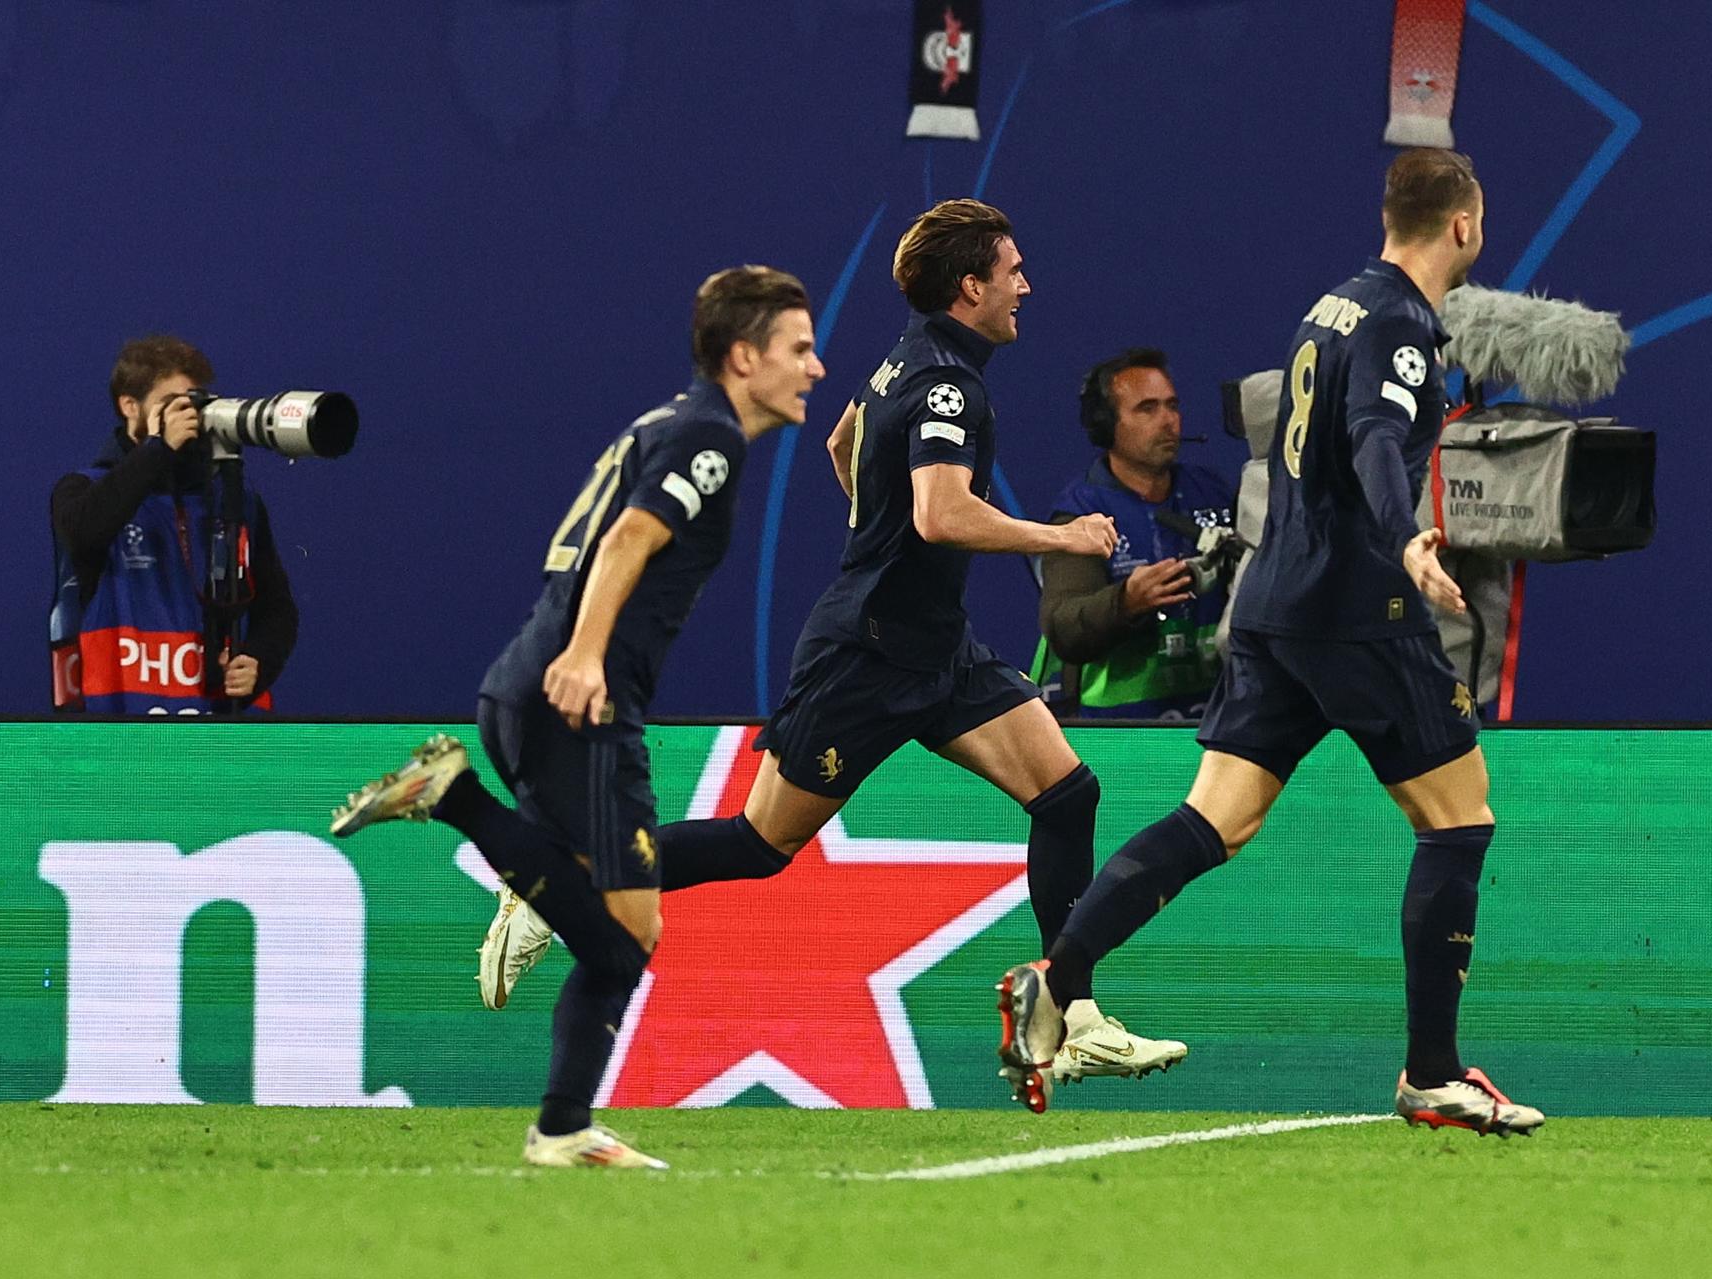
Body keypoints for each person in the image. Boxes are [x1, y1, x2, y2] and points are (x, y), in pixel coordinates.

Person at [480, 200, 1189, 1086]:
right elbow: (939, 512)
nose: (1025, 285)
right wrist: (1065, 539)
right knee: (758, 846)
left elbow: (844, 440)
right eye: (1012, 270)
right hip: (867, 657)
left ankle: (1066, 1011)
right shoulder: (944, 384)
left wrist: (874, 530)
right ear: (971, 287)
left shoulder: (914, 357)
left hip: (937, 647)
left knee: (1068, 793)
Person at [996, 149, 1545, 1135]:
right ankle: (1431, 1071)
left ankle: (1056, 977)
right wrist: (1407, 537)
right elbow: (1379, 440)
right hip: (1356, 610)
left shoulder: (1329, 307)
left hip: (1273, 604)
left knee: (1217, 819)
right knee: (1459, 821)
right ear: (1464, 224)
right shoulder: (1403, 327)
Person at [329, 265, 825, 1169]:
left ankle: (561, 1126)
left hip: (535, 685)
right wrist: (589, 654)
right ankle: (458, 801)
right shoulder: (710, 435)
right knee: (625, 937)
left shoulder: (668, 421)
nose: (815, 367)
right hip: (578, 701)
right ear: (744, 356)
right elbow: (632, 534)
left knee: (624, 936)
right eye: (798, 348)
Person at [50, 336, 298, 712]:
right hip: (117, 723)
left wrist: (258, 661)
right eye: (174, 404)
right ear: (130, 406)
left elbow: (278, 608)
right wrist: (157, 449)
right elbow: (85, 533)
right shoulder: (82, 487)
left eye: (197, 402)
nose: (190, 416)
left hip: (220, 724)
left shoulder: (233, 498)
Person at [1033, 348, 1237, 719]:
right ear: (1105, 424)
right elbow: (1063, 628)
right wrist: (1126, 602)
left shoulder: (1216, 493)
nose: (1168, 421)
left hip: (1219, 722)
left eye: (1172, 406)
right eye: (1147, 408)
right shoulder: (1080, 514)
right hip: (1121, 734)